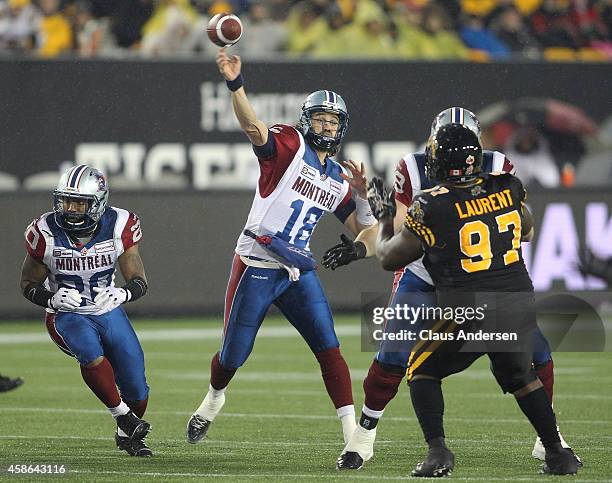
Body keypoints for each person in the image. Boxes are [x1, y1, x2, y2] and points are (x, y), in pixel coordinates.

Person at [325, 107, 578, 469]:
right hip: (437, 276)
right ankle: (363, 437)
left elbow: (391, 244)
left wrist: (373, 215)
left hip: (469, 283)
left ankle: (544, 438)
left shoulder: (458, 187)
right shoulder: (438, 174)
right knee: (394, 353)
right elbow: (526, 229)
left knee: (442, 364)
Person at [185, 48, 377, 447]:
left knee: (330, 349)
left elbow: (367, 234)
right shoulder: (290, 146)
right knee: (233, 355)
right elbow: (254, 127)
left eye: (333, 120)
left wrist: (362, 196)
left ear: (342, 126)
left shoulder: (341, 177)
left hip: (297, 270)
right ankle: (213, 400)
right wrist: (235, 84)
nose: (326, 126)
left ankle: (353, 436)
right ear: (307, 121)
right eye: (320, 118)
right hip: (257, 260)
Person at [20, 165, 153, 457]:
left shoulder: (120, 223)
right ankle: (122, 416)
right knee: (90, 353)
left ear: (99, 201)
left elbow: (139, 280)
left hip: (107, 310)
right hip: (67, 314)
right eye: (66, 200)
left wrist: (124, 293)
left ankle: (126, 433)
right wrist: (51, 299)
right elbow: (28, 284)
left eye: (79, 202)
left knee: (137, 388)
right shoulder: (44, 230)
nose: (70, 208)